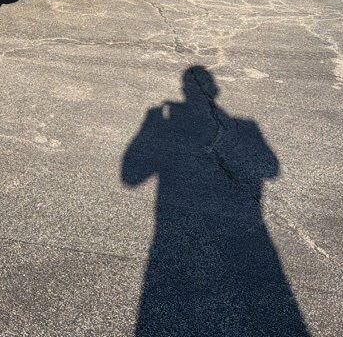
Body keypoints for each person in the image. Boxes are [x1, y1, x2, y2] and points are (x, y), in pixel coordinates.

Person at [121, 66, 308, 336]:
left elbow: (131, 176)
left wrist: (149, 124)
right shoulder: (246, 126)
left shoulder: (241, 125)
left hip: (174, 229)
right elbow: (271, 169)